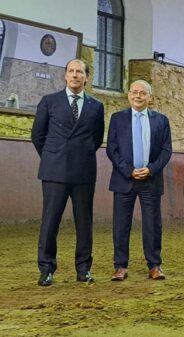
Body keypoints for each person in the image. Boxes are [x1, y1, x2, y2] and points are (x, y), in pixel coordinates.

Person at [31, 59, 105, 286]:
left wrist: (78, 155)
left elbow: (96, 138)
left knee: (84, 222)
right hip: (54, 172)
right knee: (50, 221)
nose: (75, 75)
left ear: (86, 77)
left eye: (79, 72)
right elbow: (37, 136)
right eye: (71, 71)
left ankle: (83, 269)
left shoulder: (96, 106)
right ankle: (46, 269)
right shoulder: (49, 102)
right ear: (65, 75)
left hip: (83, 172)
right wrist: (54, 157)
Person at [106, 80, 172, 281]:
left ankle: (154, 266)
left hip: (150, 180)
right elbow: (112, 149)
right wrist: (128, 170)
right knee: (121, 224)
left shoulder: (161, 120)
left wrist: (150, 169)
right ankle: (120, 266)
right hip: (124, 179)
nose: (138, 96)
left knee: (152, 224)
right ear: (128, 95)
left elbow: (166, 150)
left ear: (149, 97)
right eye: (134, 92)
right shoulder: (117, 119)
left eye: (142, 93)